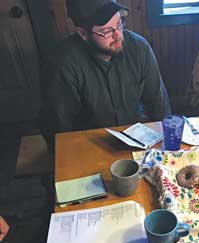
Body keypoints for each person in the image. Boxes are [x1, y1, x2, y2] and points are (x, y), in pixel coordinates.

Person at [40, 0, 170, 149]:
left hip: (136, 139)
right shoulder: (62, 64)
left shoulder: (140, 49)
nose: (118, 34)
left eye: (119, 23)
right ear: (83, 33)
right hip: (88, 144)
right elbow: (58, 131)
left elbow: (159, 107)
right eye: (107, 31)